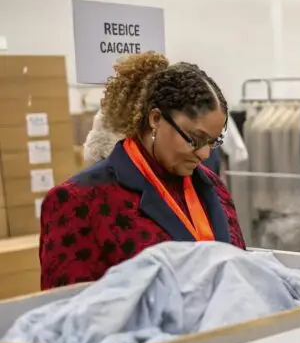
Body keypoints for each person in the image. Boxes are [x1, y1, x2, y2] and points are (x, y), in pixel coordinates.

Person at [39, 52, 246, 289]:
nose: (205, 154)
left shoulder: (213, 187)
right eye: (194, 139)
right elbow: (68, 310)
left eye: (213, 141)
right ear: (156, 119)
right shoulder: (79, 201)